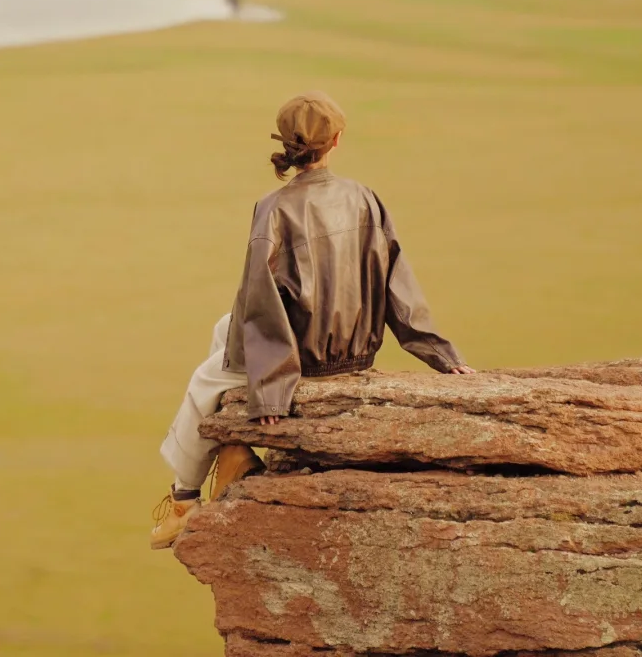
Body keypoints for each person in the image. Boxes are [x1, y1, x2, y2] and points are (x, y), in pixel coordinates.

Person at [151, 90, 473, 550]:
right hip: (353, 351)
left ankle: (184, 499)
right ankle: (234, 455)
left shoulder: (274, 206)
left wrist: (271, 393)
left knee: (206, 380)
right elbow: (397, 284)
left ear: (287, 143)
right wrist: (442, 356)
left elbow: (260, 302)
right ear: (337, 140)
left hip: (303, 357)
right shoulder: (364, 197)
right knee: (223, 330)